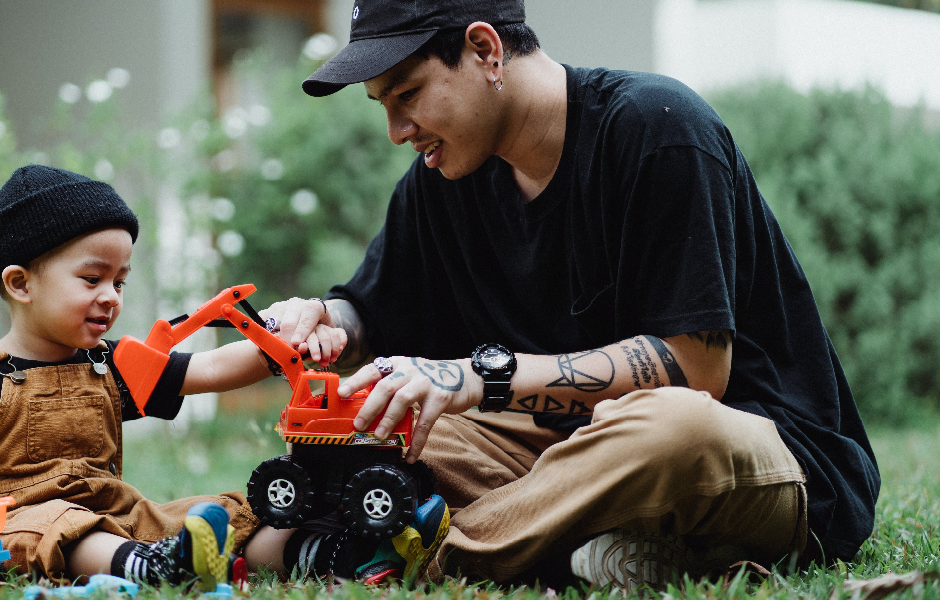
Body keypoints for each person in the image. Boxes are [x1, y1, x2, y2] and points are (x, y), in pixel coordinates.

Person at [264, 0, 880, 590]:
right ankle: (195, 535)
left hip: (750, 454)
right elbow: (372, 309)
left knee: (670, 428)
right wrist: (328, 320)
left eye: (407, 94)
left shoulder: (658, 128)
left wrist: (482, 378)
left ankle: (369, 556)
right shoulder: (444, 179)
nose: (398, 131)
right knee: (370, 424)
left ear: (485, 50)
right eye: (383, 106)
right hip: (560, 456)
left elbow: (697, 372)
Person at [0, 165, 348, 588]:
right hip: (16, 525)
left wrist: (281, 346)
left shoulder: (110, 364)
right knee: (64, 528)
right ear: (20, 283)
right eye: (92, 278)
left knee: (216, 514)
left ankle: (324, 550)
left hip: (115, 513)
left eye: (121, 282)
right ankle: (150, 569)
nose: (110, 296)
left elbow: (204, 368)